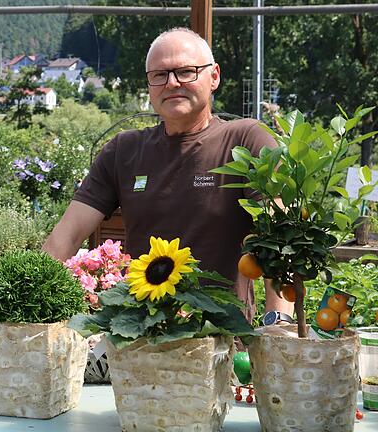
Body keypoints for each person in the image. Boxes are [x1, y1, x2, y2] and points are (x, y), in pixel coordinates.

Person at [42, 28, 291, 320]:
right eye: (159, 75)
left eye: (186, 71)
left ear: (214, 76)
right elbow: (65, 238)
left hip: (220, 340)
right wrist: (26, 299)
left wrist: (279, 322)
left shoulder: (245, 141)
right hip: (138, 333)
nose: (172, 83)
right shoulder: (124, 151)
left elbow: (279, 239)